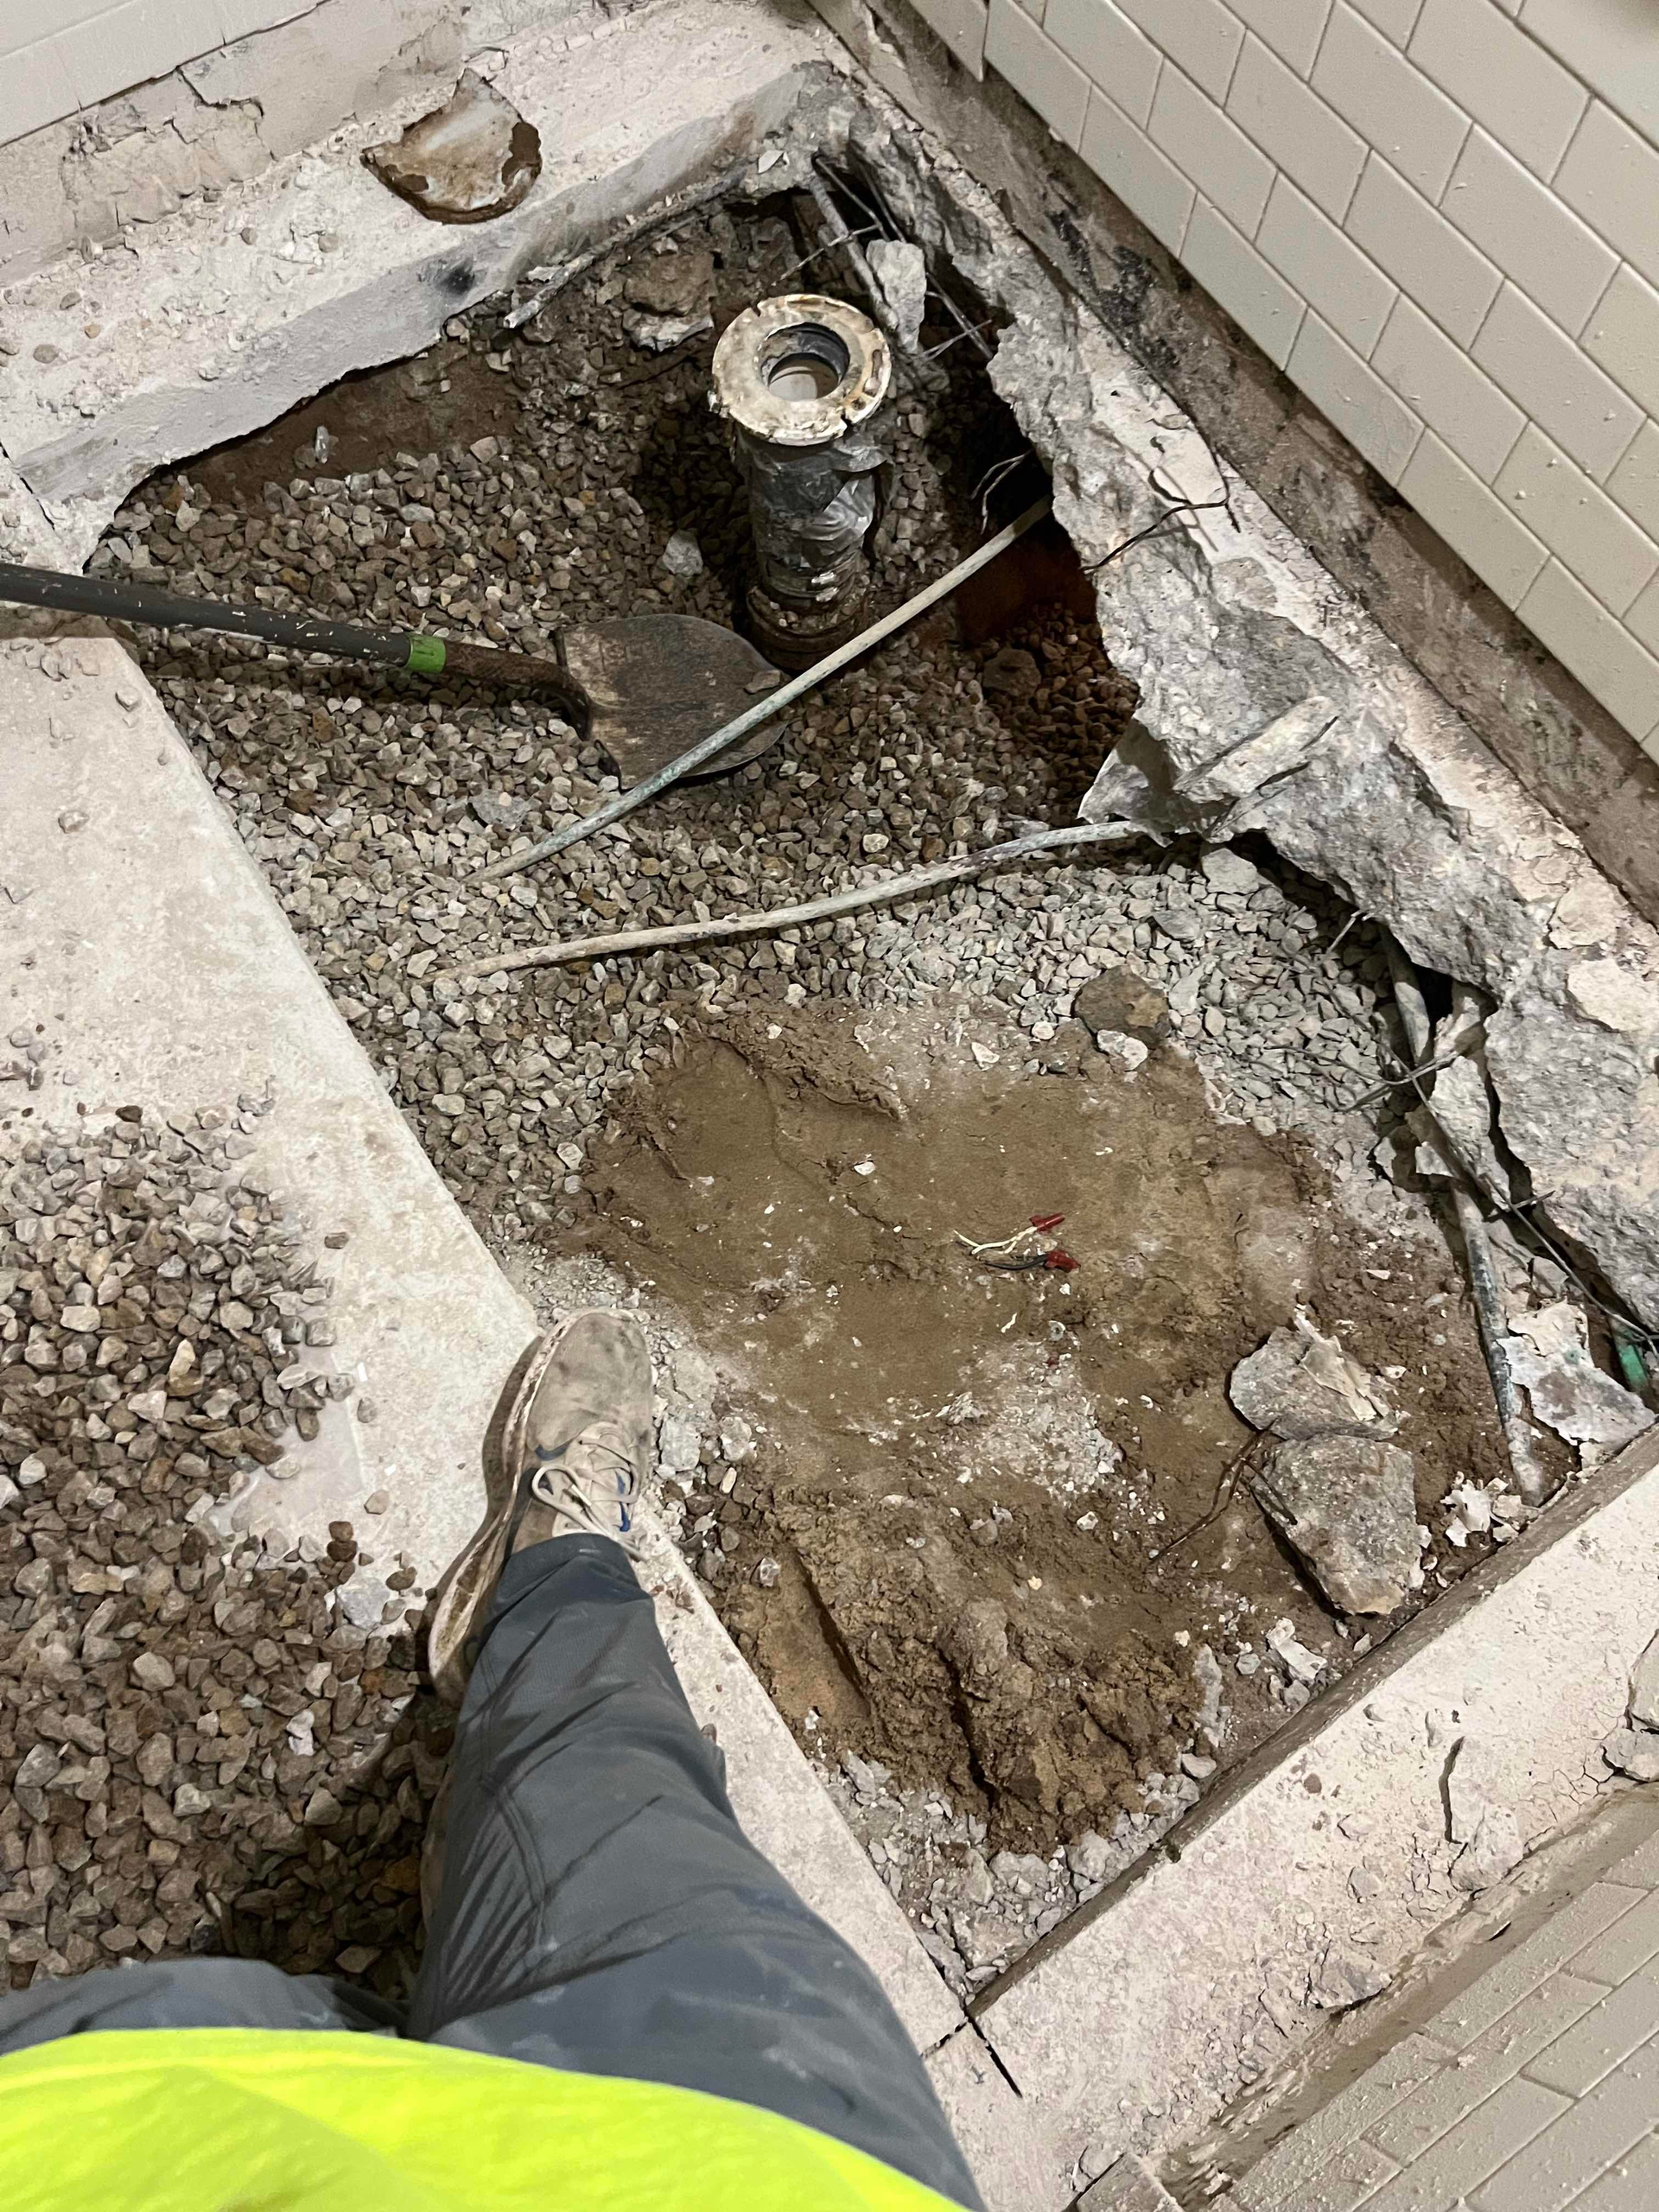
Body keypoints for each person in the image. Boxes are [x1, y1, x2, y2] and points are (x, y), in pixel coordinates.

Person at [0, 1310, 983, 2212]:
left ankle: (552, 1581)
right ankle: (553, 1595)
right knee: (620, 1802)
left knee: (600, 1778)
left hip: (95, 2141)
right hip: (784, 2161)